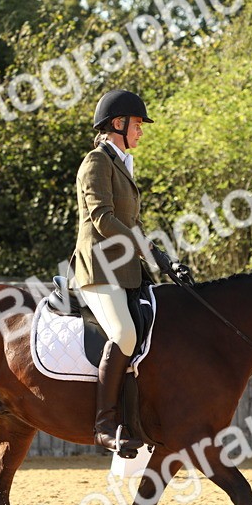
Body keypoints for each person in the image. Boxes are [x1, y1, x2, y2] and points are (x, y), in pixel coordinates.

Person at [72, 89, 158, 456]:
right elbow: (103, 219)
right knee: (123, 335)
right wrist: (143, 246)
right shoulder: (97, 162)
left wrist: (159, 257)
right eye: (137, 124)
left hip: (126, 270)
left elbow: (132, 221)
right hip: (98, 269)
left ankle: (139, 419)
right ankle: (105, 426)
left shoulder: (122, 163)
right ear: (118, 124)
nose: (141, 131)